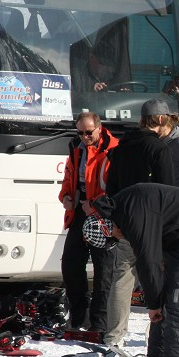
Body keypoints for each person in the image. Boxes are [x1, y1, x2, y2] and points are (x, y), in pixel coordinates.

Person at [88, 184, 179, 357]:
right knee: (165, 298)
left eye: (112, 237)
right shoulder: (119, 210)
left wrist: (153, 304)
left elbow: (149, 262)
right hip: (175, 238)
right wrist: (156, 303)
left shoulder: (133, 219)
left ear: (108, 226)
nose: (117, 238)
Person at [102, 99, 176, 349]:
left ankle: (114, 337)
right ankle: (162, 336)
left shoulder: (121, 148)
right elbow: (169, 192)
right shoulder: (159, 149)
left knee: (122, 279)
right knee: (160, 277)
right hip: (154, 225)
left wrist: (116, 222)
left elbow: (110, 189)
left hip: (125, 223)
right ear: (161, 120)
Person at [59, 112, 118, 333]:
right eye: (81, 132)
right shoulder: (76, 146)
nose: (85, 136)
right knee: (71, 264)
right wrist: (66, 196)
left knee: (104, 270)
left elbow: (116, 186)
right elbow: (69, 176)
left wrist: (94, 205)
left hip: (103, 214)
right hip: (80, 211)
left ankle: (99, 322)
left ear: (99, 128)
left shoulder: (113, 149)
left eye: (89, 132)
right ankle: (78, 318)